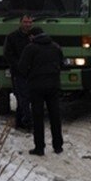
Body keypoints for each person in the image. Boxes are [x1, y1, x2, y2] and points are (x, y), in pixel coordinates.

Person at [19, 26, 64, 156]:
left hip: (36, 87)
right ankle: (58, 146)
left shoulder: (30, 48)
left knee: (38, 118)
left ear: (32, 36)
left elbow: (22, 68)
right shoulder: (56, 47)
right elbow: (62, 63)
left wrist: (30, 75)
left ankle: (39, 147)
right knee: (55, 116)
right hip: (53, 85)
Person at [3, 15, 34, 132]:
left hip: (31, 72)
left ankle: (19, 122)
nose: (28, 24)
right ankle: (27, 123)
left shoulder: (33, 37)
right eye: (25, 22)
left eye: (30, 22)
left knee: (25, 98)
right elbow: (8, 54)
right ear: (20, 22)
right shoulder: (12, 37)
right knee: (22, 97)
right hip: (18, 72)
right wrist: (19, 66)